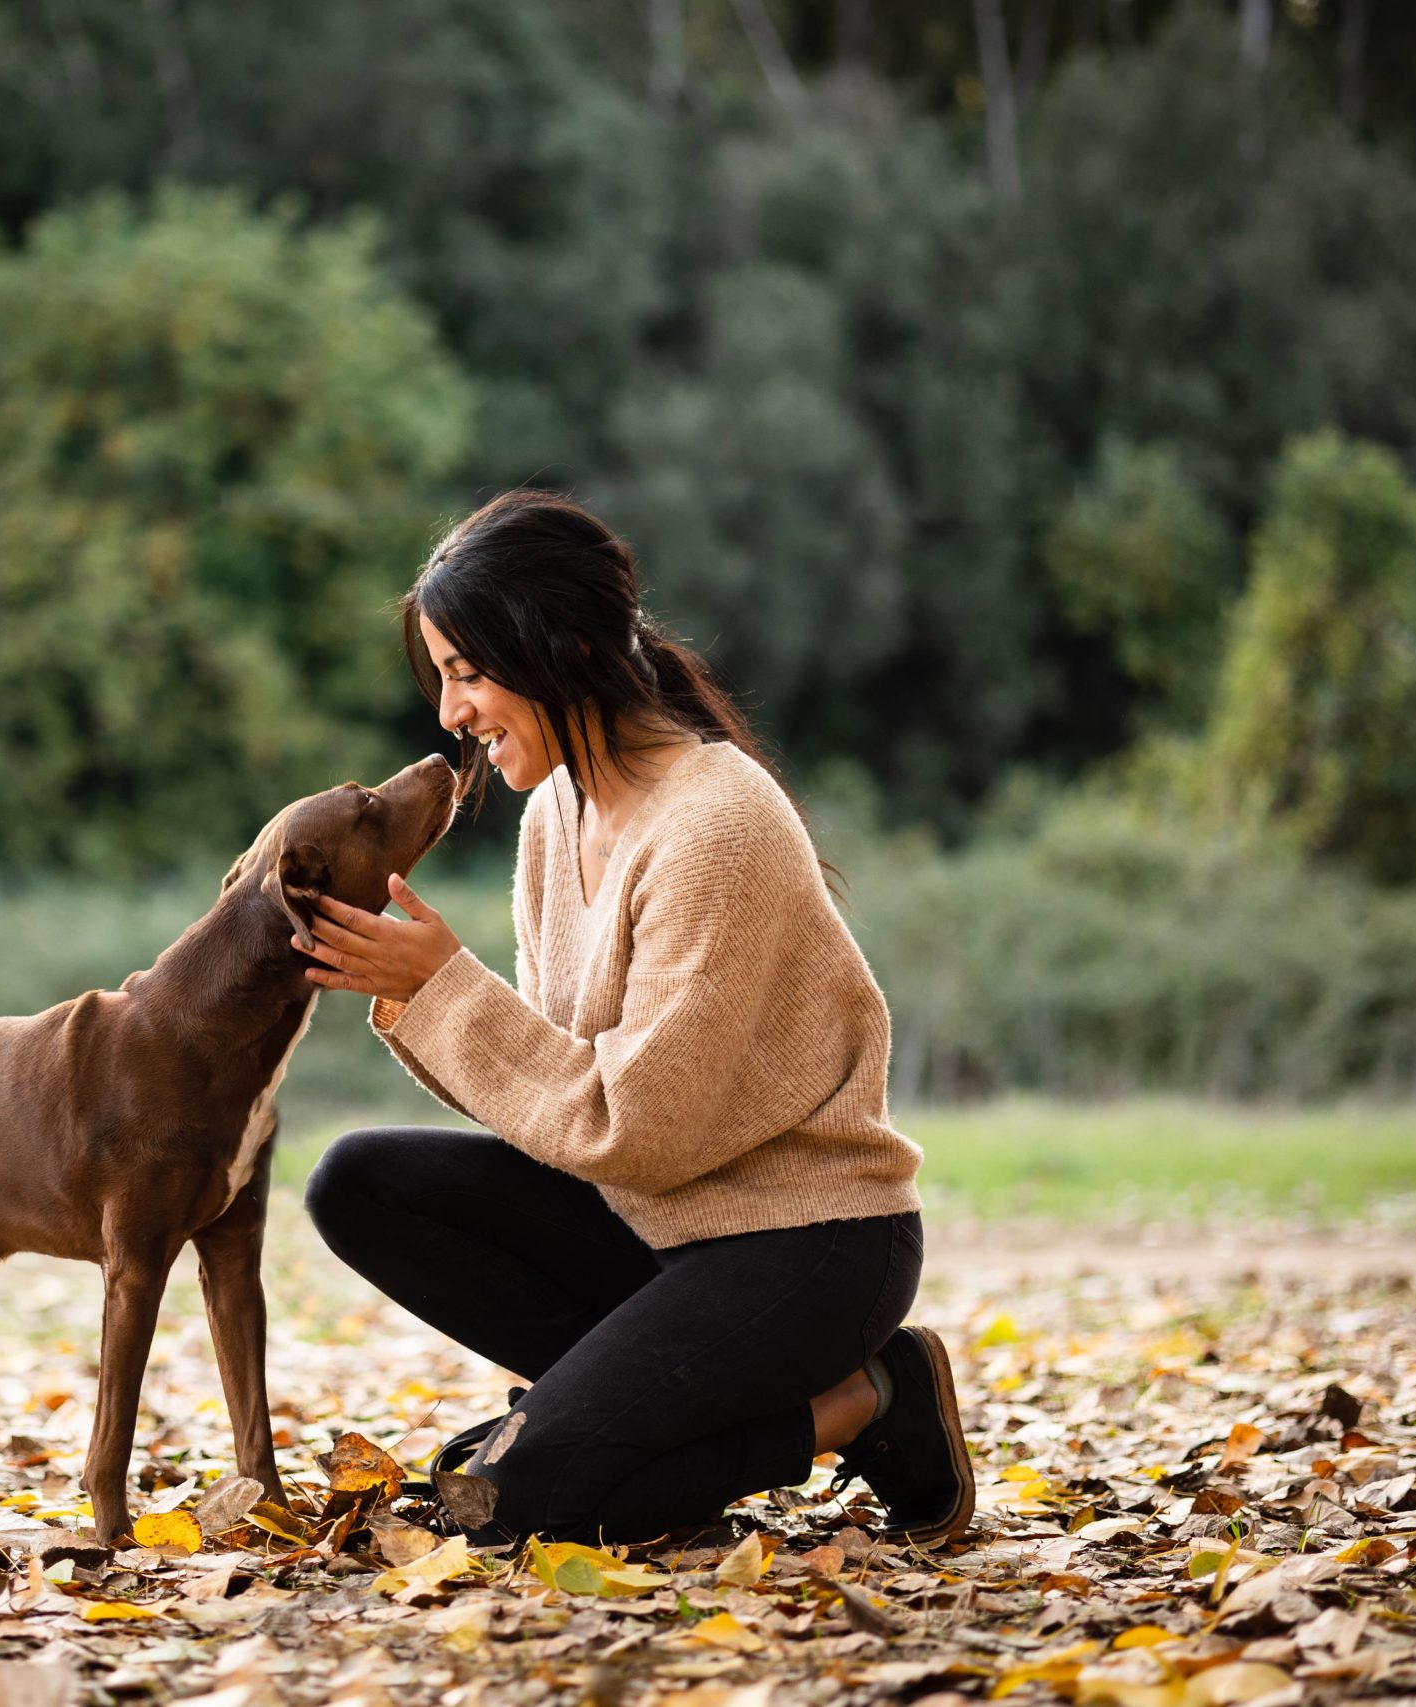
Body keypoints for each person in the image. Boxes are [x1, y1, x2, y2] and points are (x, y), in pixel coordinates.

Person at [291, 488, 974, 1548]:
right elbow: (565, 1105)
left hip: (804, 1246)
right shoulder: (555, 813)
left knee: (508, 1502)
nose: (451, 714)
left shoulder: (716, 827)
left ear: (563, 648)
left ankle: (861, 1401)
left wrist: (447, 988)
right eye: (442, 677)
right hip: (649, 1221)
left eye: (467, 673)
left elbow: (639, 1125)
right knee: (357, 1182)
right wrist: (425, 991)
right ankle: (617, 1422)